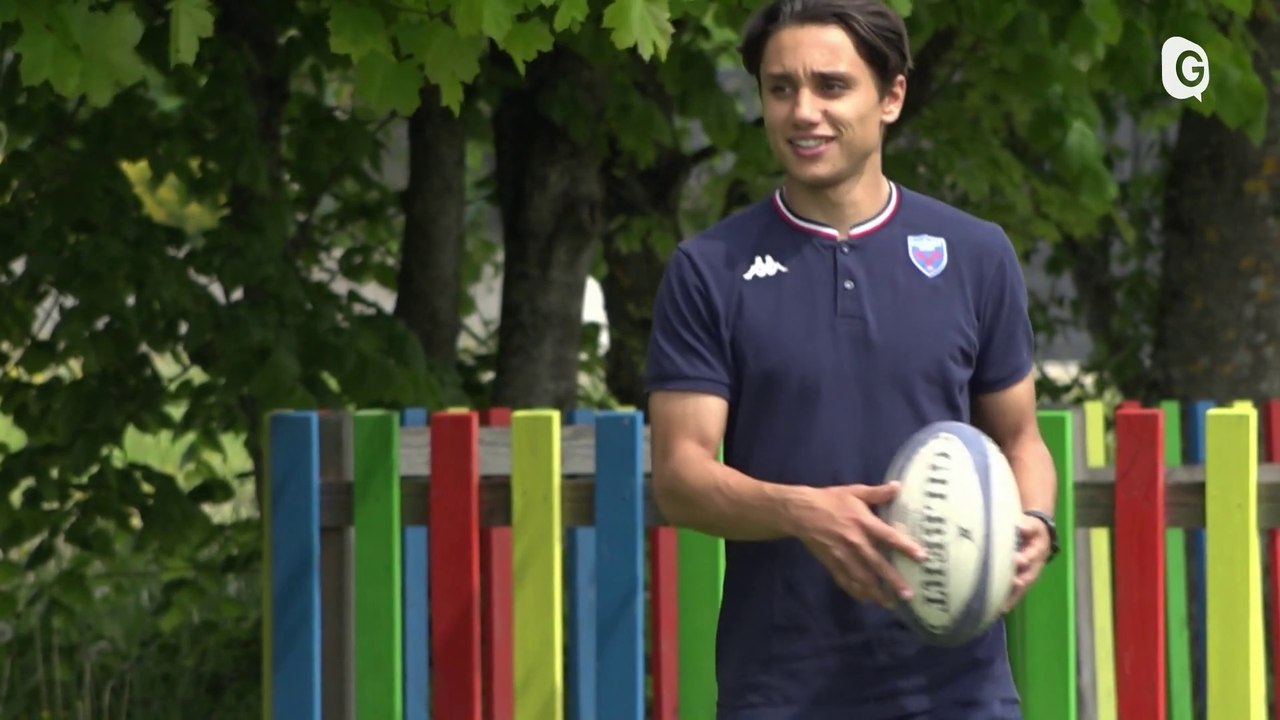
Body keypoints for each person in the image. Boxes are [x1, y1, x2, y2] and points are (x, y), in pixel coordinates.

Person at [642, 0, 1061, 718]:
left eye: (831, 86)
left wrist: (1034, 525)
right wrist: (805, 512)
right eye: (781, 88)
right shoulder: (708, 268)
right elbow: (681, 476)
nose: (803, 111)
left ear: (890, 96)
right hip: (781, 691)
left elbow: (1021, 438)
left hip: (956, 691)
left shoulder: (975, 255)